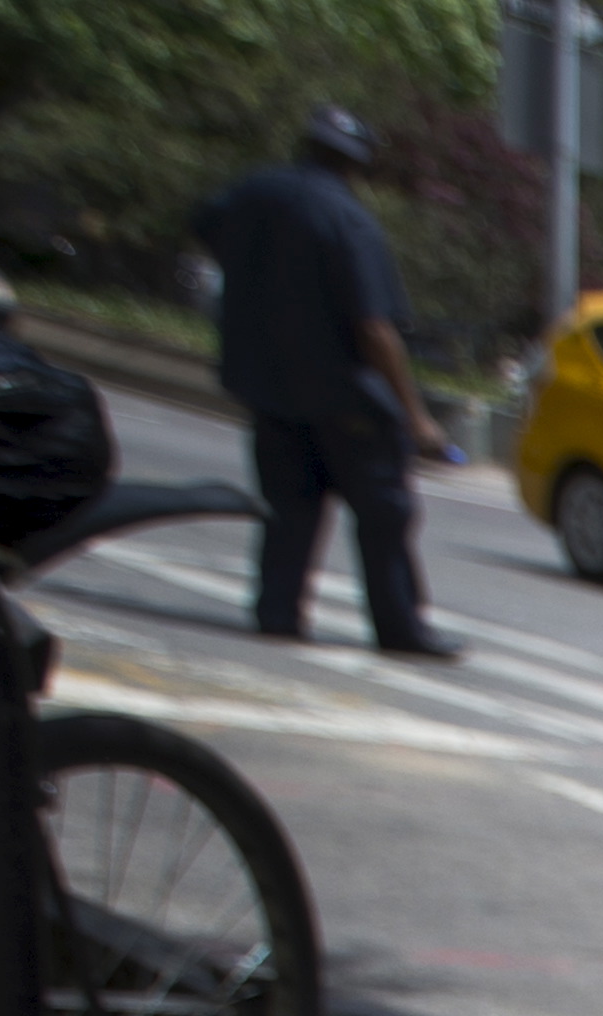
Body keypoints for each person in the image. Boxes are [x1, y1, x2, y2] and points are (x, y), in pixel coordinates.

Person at [193, 107, 460, 662]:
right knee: (384, 512)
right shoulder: (347, 220)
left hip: (267, 383)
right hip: (341, 395)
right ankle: (399, 625)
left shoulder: (252, 194)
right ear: (358, 164)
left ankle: (278, 610)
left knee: (290, 505)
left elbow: (204, 226)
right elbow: (375, 329)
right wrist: (415, 416)